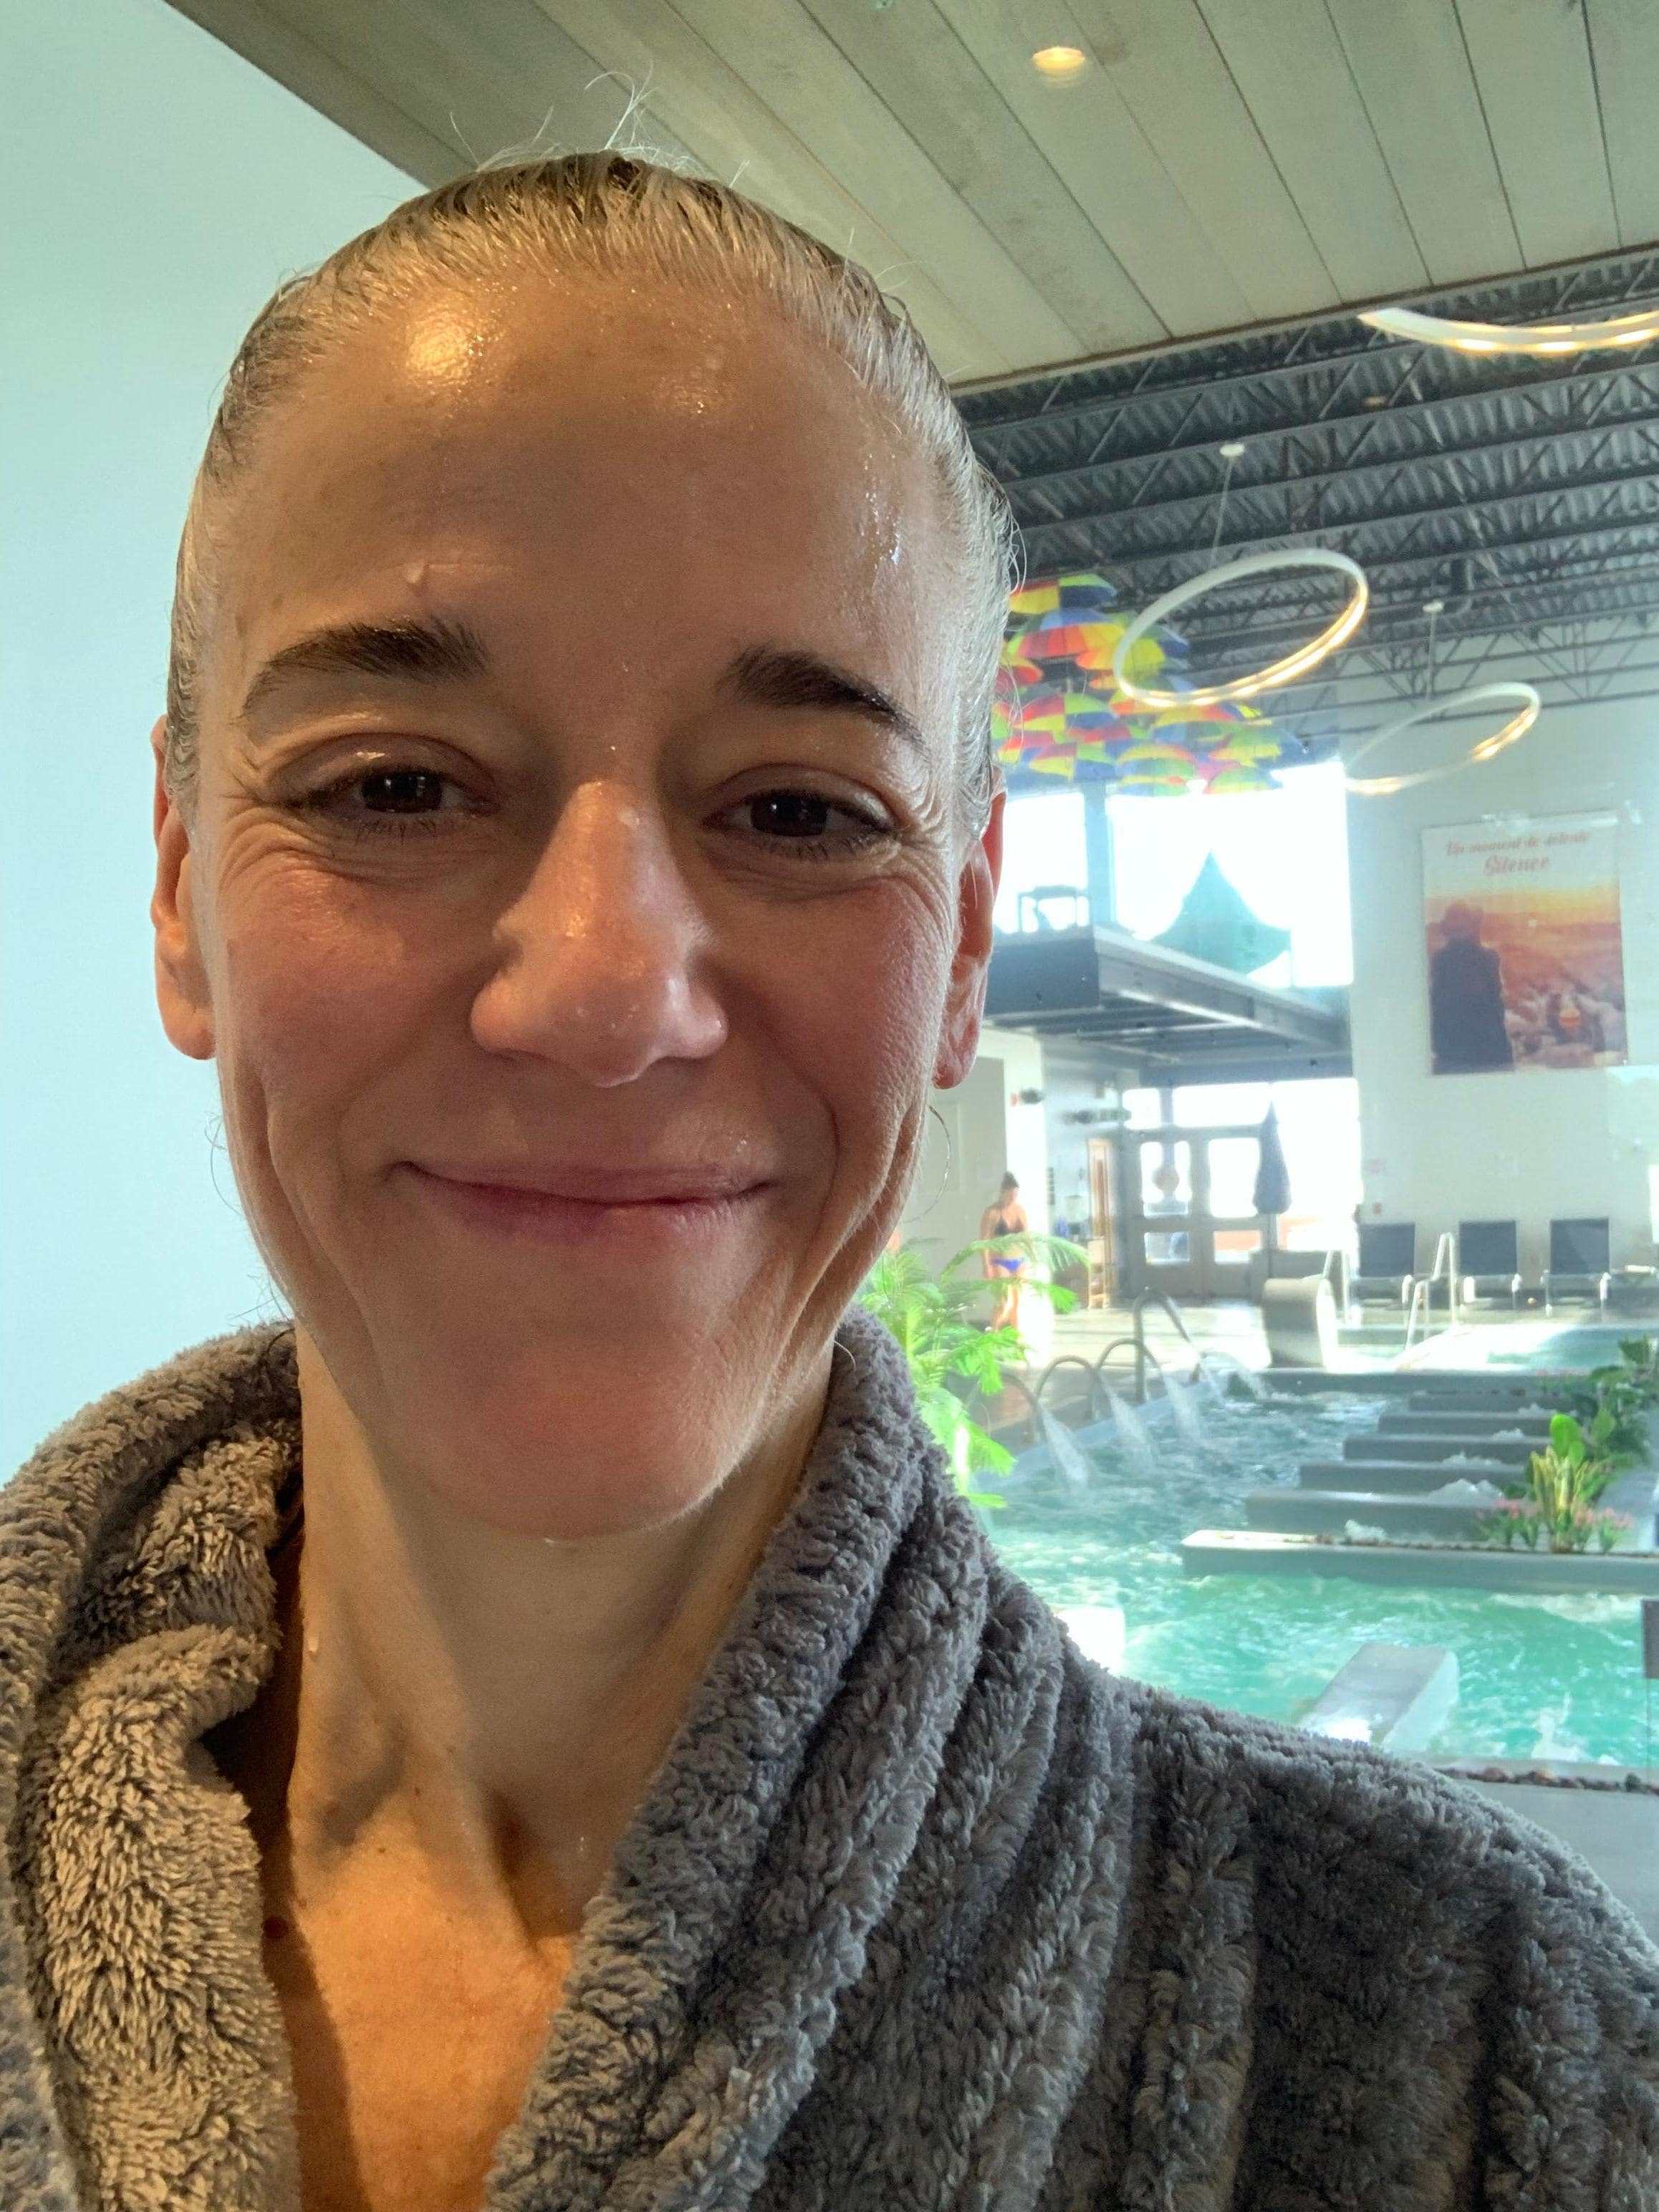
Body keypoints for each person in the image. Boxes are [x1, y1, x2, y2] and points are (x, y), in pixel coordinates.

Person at [4, 153, 1655, 2212]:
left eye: (797, 811)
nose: (604, 996)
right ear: (181, 889)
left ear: (961, 944)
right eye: (395, 785)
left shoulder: (1478, 2059)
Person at [1428, 899, 1515, 1073]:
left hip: (1450, 1052)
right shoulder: (1488, 958)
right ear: (1474, 928)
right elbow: (1494, 996)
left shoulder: (1439, 960)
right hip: (1489, 1051)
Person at [979, 1169, 1028, 1329]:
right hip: (999, 1262)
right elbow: (984, 1242)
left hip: (1019, 1260)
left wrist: (1034, 1257)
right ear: (1003, 1193)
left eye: (1016, 1195)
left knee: (1017, 1302)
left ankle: (1015, 1336)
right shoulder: (992, 1213)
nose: (1013, 1199)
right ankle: (994, 1331)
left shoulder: (1020, 1211)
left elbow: (1027, 1237)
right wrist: (986, 1265)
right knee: (1004, 1302)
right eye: (1011, 1195)